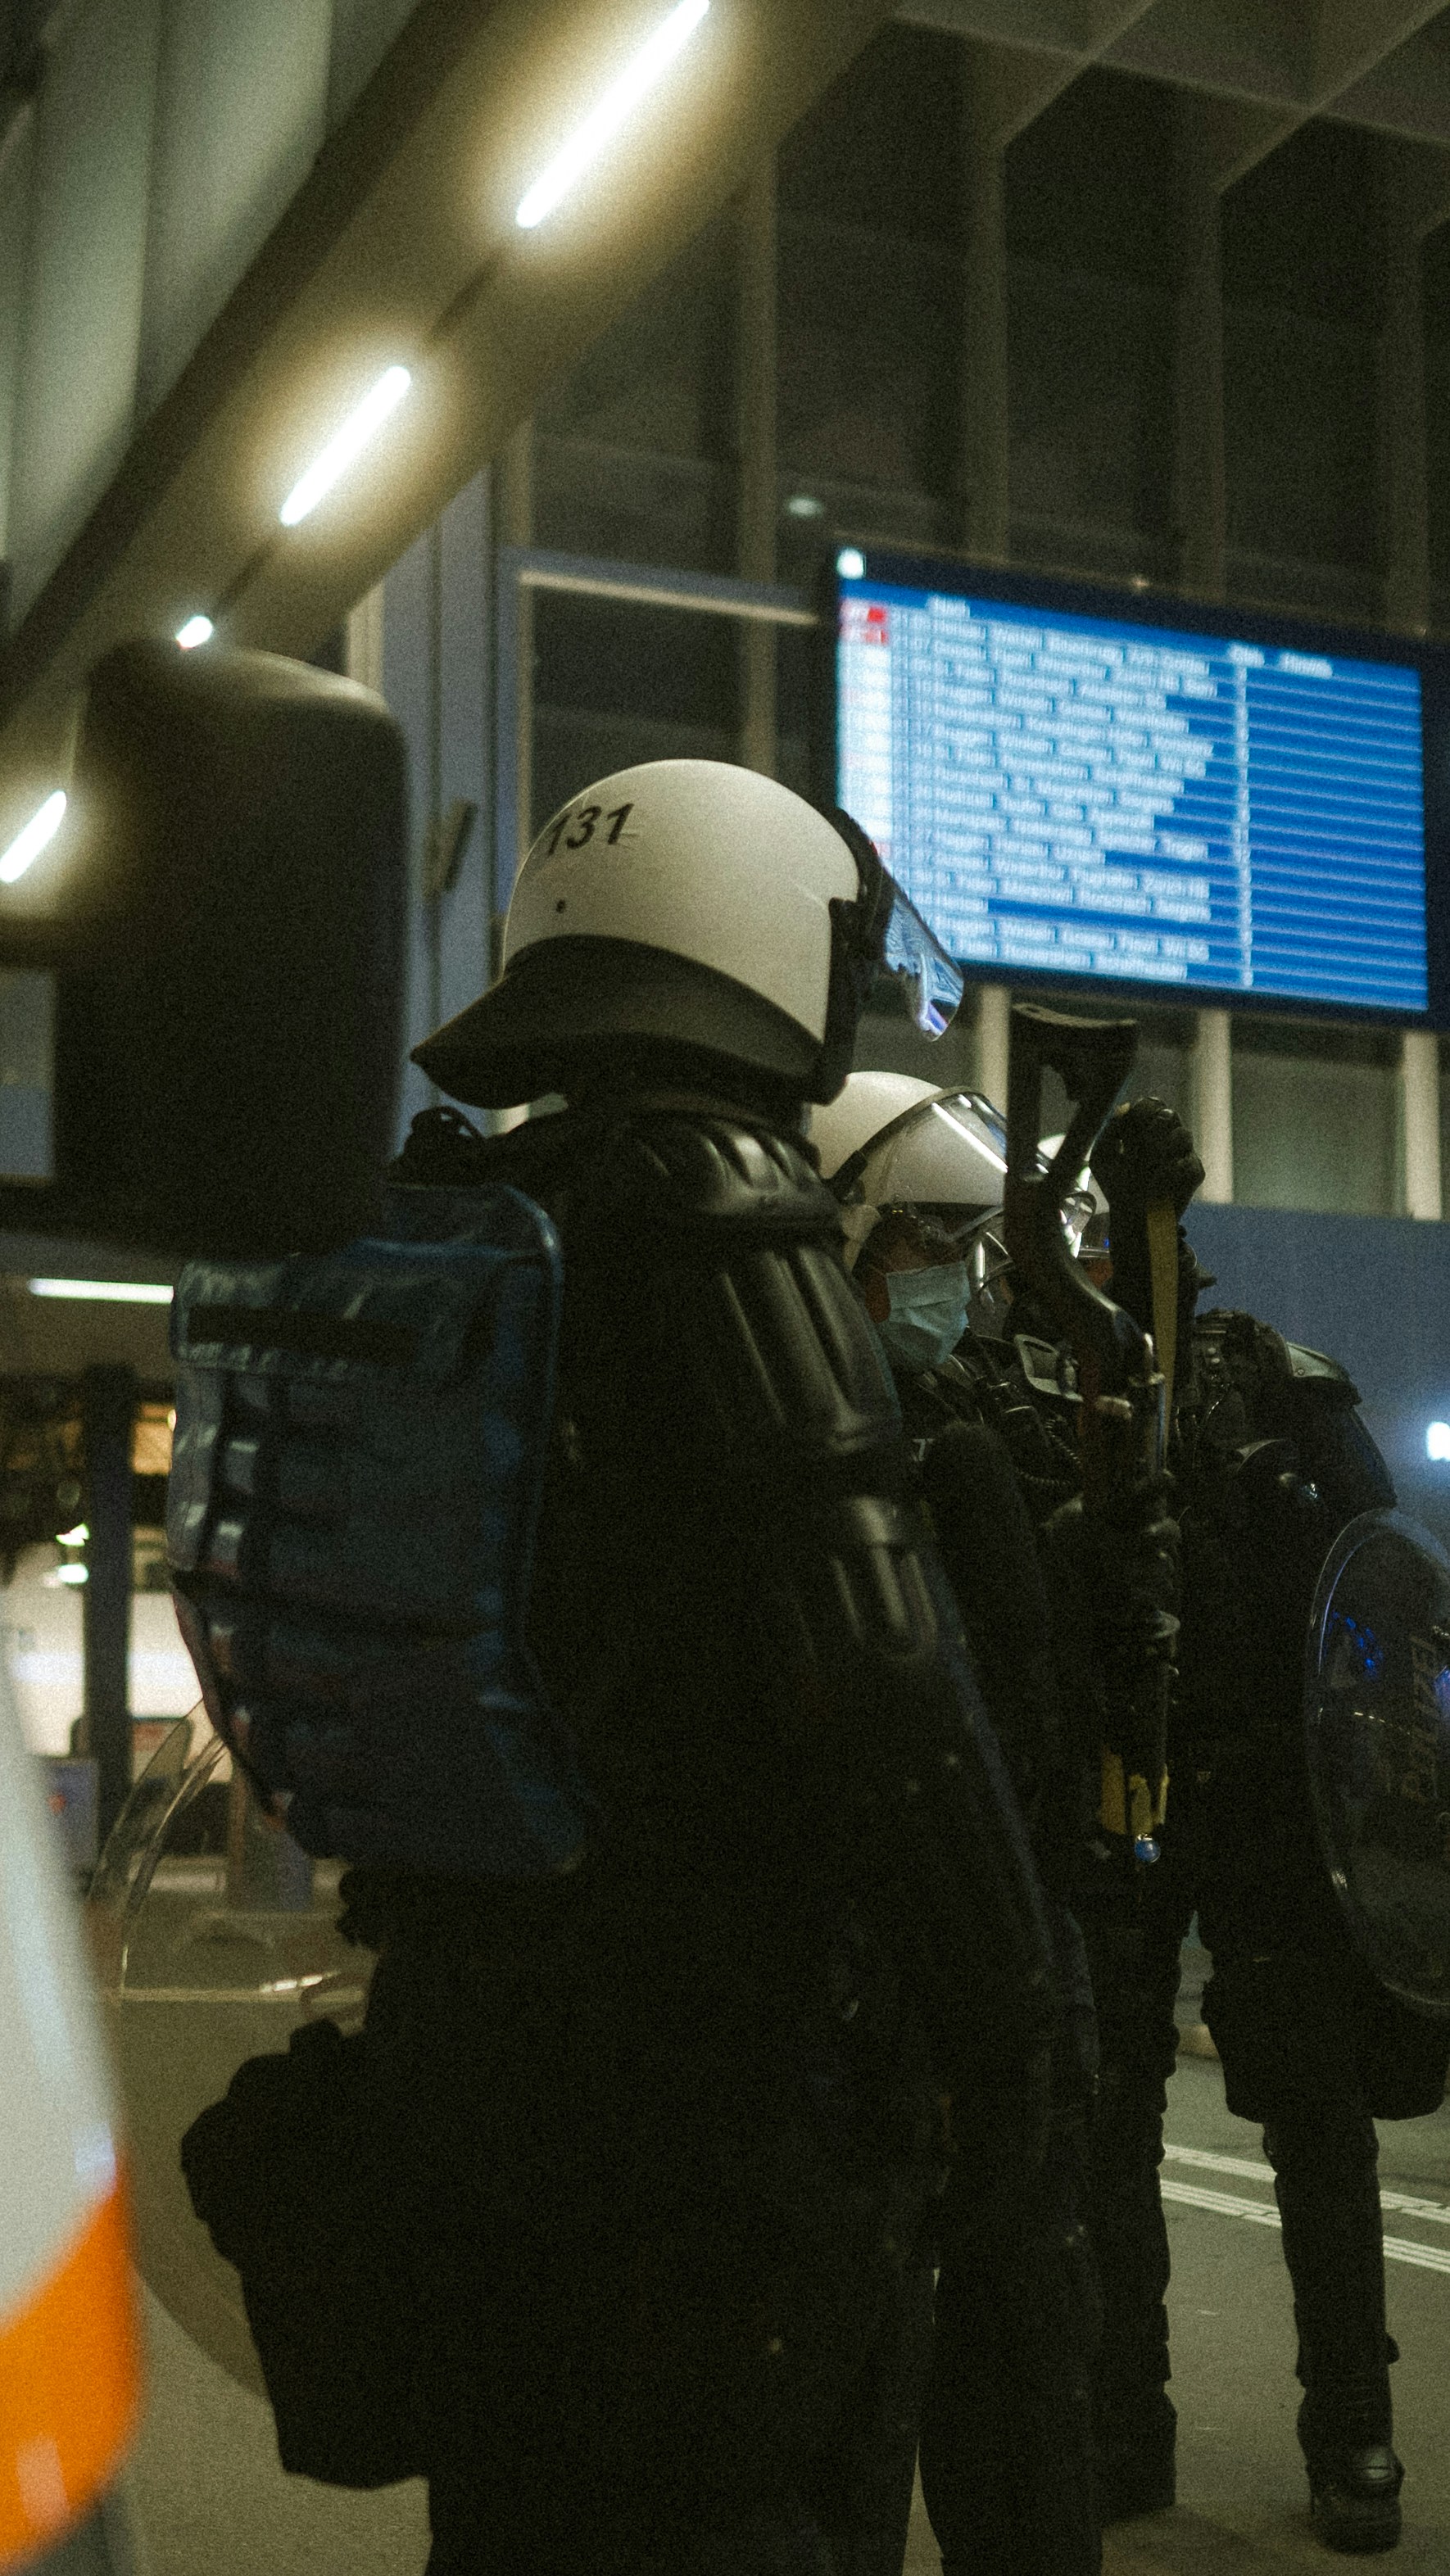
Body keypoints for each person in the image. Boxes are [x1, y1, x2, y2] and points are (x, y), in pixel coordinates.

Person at [171, 761, 1056, 2576]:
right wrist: (1015, 2030)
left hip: (471, 2038)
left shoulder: (493, 1216)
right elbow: (884, 1677)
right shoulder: (705, 1193)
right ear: (755, 932)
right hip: (704, 2116)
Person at [1073, 1098, 1450, 2555]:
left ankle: (1352, 2428)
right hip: (1113, 1789)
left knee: (1316, 2127)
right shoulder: (1041, 1391)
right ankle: (1123, 2425)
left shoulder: (1283, 1393)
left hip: (1261, 1801)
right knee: (1107, 2123)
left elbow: (1383, 1603)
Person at [811, 1071, 1119, 2576]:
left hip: (997, 1977)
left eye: (962, 1247)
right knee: (847, 2436)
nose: (953, 1281)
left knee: (1015, 2416)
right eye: (923, 1242)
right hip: (863, 2012)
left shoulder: (968, 1439)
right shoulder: (793, 1463)